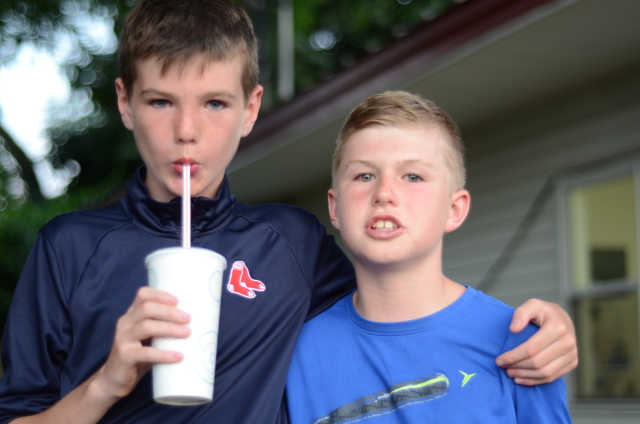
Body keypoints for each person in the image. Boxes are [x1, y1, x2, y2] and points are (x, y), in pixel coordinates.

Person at [0, 1, 576, 423]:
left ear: (251, 109)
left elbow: (397, 295)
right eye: (160, 101)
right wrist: (106, 383)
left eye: (215, 103)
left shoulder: (290, 243)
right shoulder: (68, 248)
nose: (186, 130)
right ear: (125, 102)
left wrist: (547, 327)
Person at [285, 91, 572, 423]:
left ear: (454, 209)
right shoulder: (292, 354)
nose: (384, 193)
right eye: (364, 176)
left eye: (413, 176)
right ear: (335, 208)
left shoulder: (524, 347)